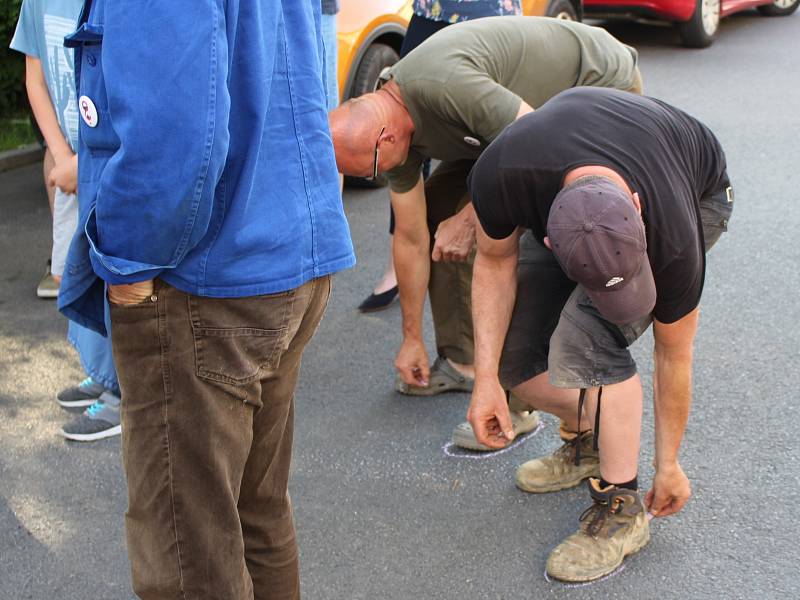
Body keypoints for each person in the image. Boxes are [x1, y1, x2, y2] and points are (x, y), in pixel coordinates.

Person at [58, 0, 354, 597]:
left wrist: (129, 264)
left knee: (188, 558)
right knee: (253, 518)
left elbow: (173, 133)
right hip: (279, 252)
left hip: (206, 279)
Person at [329, 16, 642, 449]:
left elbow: (537, 145)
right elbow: (411, 235)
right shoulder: (390, 127)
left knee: (516, 230)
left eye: (374, 170)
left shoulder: (442, 86)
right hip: (516, 124)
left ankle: (523, 394)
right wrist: (410, 340)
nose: (378, 177)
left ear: (384, 140)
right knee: (441, 210)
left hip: (596, 86)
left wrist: (472, 217)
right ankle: (465, 363)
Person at [466, 86, 733, 582]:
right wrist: (484, 382)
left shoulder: (673, 233)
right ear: (546, 239)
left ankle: (622, 507)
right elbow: (493, 261)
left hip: (698, 191)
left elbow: (674, 354)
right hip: (576, 187)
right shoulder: (501, 174)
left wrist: (668, 464)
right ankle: (594, 439)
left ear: (636, 204)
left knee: (587, 339)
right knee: (517, 360)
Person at [358, 0, 522, 313]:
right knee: (406, 136)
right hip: (432, 13)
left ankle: (494, 261)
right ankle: (401, 263)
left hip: (490, 16)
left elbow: (528, 132)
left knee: (491, 139)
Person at [10, 0, 121, 442]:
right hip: (71, 164)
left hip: (107, 163)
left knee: (116, 282)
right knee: (77, 277)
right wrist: (61, 154)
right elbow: (34, 80)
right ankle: (101, 374)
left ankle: (123, 397)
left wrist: (86, 163)